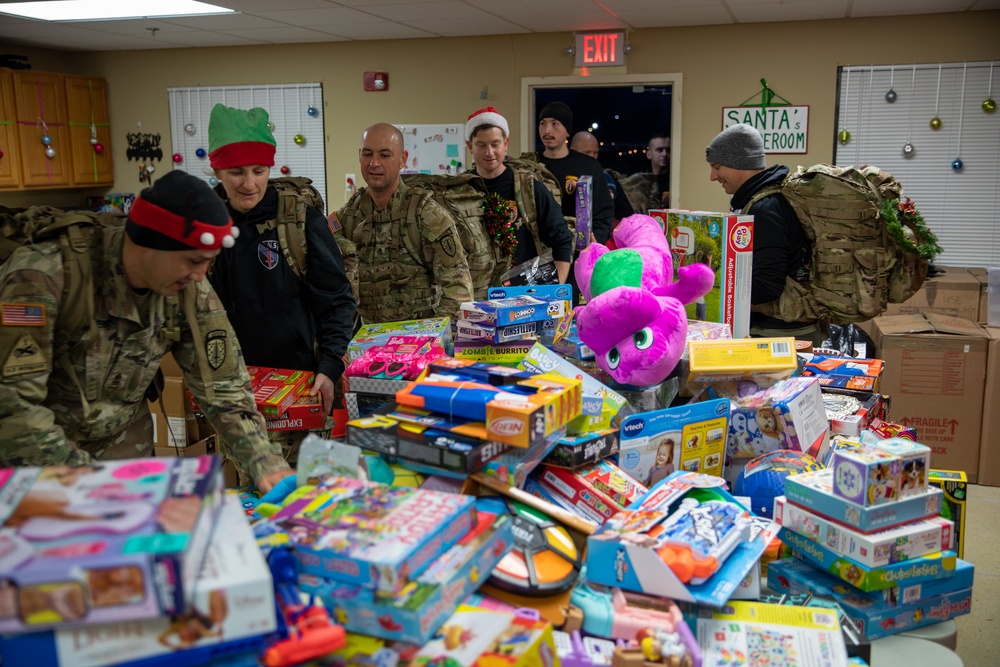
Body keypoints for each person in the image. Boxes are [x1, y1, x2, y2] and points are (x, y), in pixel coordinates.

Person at [0, 170, 291, 491]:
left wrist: (265, 462)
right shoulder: (42, 276)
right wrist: (84, 486)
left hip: (123, 452)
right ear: (146, 245)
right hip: (34, 464)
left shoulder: (189, 288)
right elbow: (13, 406)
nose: (200, 276)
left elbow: (224, 388)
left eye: (208, 262)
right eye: (194, 260)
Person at [207, 104, 356, 466]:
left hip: (302, 386)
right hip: (237, 392)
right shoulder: (205, 221)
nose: (249, 183)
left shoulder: (298, 219)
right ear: (216, 169)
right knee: (253, 497)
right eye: (236, 172)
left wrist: (330, 366)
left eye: (259, 171)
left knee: (307, 498)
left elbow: (338, 300)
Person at [332, 123, 474, 323]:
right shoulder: (349, 215)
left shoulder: (426, 215)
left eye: (384, 155)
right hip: (367, 343)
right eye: (367, 154)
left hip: (420, 343)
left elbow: (459, 293)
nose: (374, 163)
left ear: (403, 159)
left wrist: (434, 342)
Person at [706, 123, 820, 344]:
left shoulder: (766, 208)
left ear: (738, 163)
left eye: (717, 166)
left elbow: (768, 286)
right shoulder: (764, 200)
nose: (713, 176)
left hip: (781, 336)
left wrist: (714, 283)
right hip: (782, 331)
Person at [466, 107, 573, 284]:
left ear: (506, 143)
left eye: (495, 144)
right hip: (475, 296)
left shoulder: (529, 188)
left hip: (523, 294)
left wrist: (554, 290)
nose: (489, 152)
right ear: (470, 146)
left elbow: (562, 240)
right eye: (481, 145)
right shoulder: (461, 191)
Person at [535, 102, 615, 245]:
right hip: (540, 252)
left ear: (567, 131)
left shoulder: (588, 165)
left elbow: (604, 211)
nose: (547, 130)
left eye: (555, 124)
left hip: (579, 251)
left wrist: (597, 240)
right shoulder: (530, 166)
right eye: (542, 123)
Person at [570, 131, 635, 223]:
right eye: (587, 153)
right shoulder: (566, 177)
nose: (592, 157)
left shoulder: (607, 179)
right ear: (572, 151)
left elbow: (628, 215)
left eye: (595, 153)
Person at [620, 131, 671, 214]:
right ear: (649, 154)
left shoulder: (675, 182)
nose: (664, 154)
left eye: (668, 150)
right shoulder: (640, 182)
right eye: (659, 150)